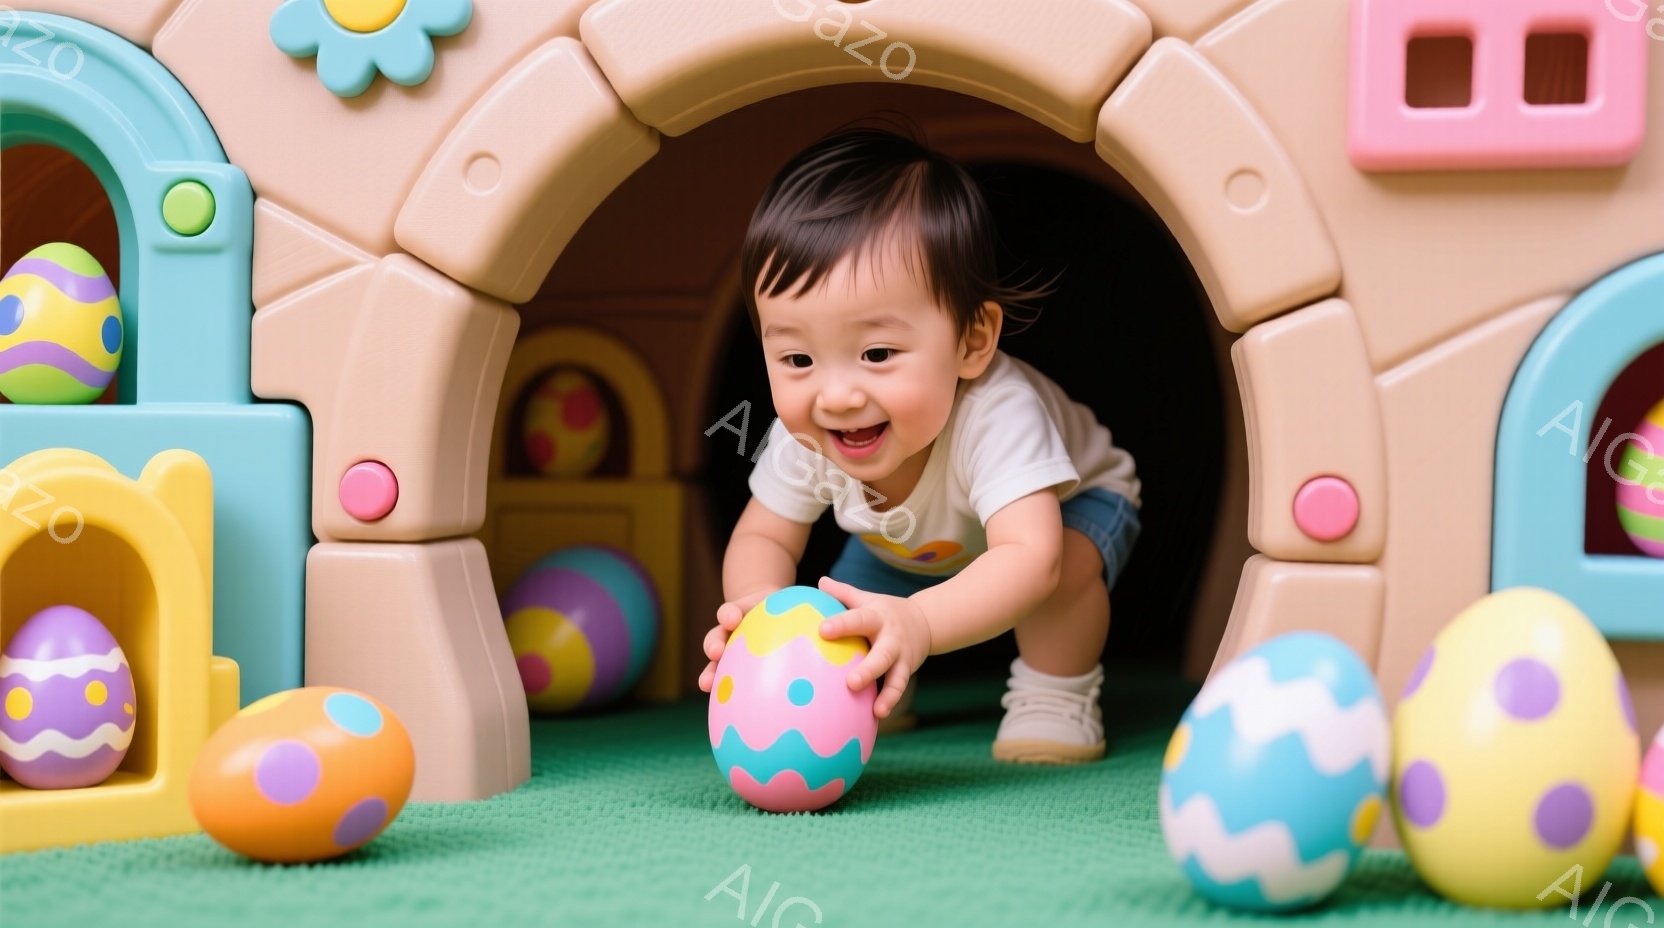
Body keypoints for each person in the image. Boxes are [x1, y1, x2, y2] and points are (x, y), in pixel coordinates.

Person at [698, 125, 1141, 763]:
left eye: (877, 353)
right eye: (797, 357)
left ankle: (1054, 694)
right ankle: (864, 690)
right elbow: (764, 537)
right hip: (906, 549)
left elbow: (1028, 557)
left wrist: (921, 625)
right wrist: (762, 621)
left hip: (1070, 510)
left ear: (971, 341)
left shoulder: (997, 414)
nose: (837, 396)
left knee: (1063, 571)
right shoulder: (808, 432)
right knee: (833, 613)